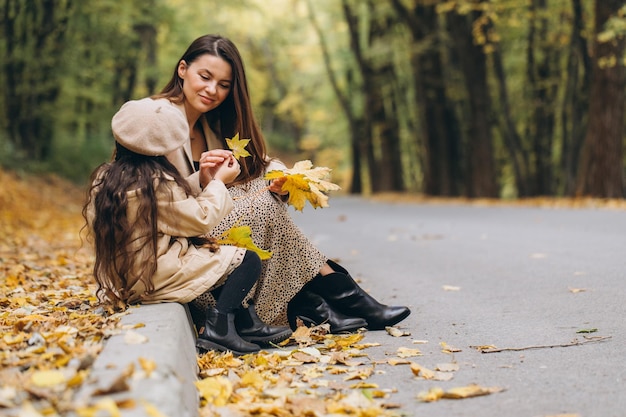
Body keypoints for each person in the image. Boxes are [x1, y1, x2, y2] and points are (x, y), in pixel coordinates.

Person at [155, 34, 411, 332]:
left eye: (224, 85)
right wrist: (205, 179)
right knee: (263, 203)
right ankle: (334, 296)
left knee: (265, 193)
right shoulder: (158, 121)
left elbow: (259, 162)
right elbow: (161, 204)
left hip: (210, 231)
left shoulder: (210, 125)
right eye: (205, 77)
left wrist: (280, 178)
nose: (213, 90)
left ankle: (315, 301)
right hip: (184, 249)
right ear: (182, 69)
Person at [83, 97, 292, 355]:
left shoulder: (107, 179)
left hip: (125, 274)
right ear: (164, 150)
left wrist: (201, 180)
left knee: (215, 255)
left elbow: (167, 209)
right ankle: (220, 328)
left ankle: (244, 322)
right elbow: (198, 218)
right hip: (155, 275)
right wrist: (218, 183)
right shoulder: (157, 185)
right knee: (246, 260)